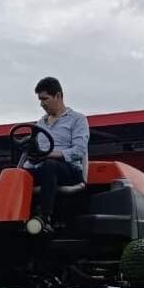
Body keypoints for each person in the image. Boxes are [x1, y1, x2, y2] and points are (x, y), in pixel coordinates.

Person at [24, 77, 90, 229]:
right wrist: (32, 156)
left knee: (50, 165)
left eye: (45, 99)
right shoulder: (40, 124)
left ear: (58, 96)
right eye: (40, 100)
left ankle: (44, 217)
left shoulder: (78, 120)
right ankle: (4, 216)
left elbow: (79, 151)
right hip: (41, 167)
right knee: (12, 171)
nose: (41, 104)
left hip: (69, 170)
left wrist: (49, 154)